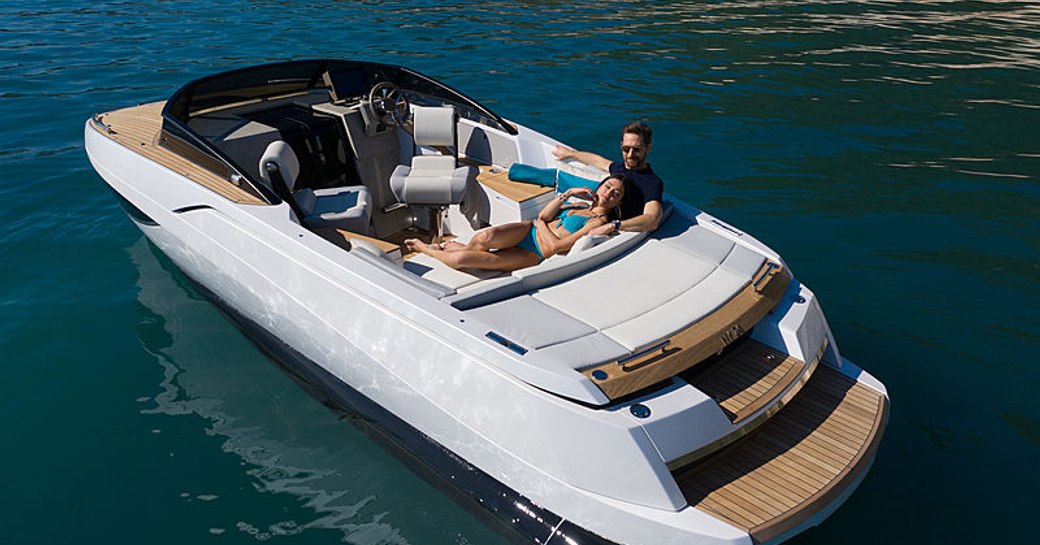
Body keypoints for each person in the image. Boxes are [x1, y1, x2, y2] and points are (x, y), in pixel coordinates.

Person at [405, 175, 627, 272]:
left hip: (535, 253)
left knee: (462, 258)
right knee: (484, 237)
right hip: (525, 231)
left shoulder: (597, 221)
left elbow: (557, 247)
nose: (609, 193)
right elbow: (544, 214)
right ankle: (466, 251)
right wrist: (567, 194)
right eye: (608, 187)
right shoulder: (578, 203)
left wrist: (540, 224)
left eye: (616, 193)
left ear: (617, 202)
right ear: (600, 187)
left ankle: (426, 248)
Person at [552, 121, 663, 235]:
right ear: (621, 146)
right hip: (593, 218)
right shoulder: (618, 168)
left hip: (608, 229)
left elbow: (652, 219)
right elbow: (598, 161)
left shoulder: (651, 182)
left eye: (637, 149)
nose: (630, 155)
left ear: (648, 148)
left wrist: (614, 225)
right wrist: (571, 154)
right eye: (626, 149)